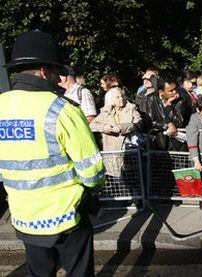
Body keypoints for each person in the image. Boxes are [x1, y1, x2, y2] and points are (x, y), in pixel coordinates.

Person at [0, 30, 105, 276]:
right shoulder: (62, 110)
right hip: (67, 217)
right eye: (58, 73)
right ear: (44, 71)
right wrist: (93, 189)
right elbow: (92, 171)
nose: (60, 80)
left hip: (24, 216)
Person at [146, 74, 187, 151]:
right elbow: (150, 121)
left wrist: (169, 105)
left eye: (175, 89)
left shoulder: (181, 100)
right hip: (160, 143)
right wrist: (168, 125)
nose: (175, 92)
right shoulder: (151, 98)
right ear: (161, 92)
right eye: (171, 91)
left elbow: (178, 122)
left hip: (177, 144)